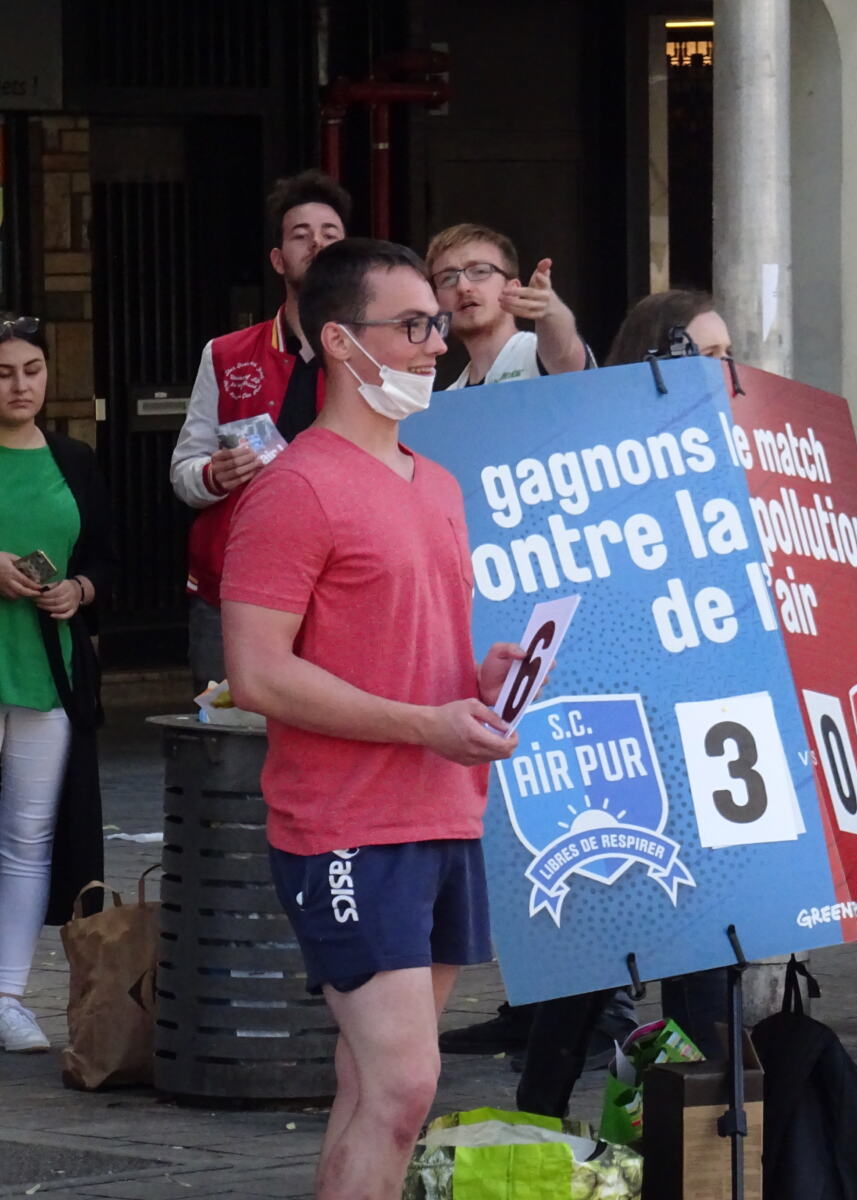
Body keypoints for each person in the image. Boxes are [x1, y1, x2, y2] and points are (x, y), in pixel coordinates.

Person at [221, 239, 529, 1200]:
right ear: (339, 342)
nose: (435, 343)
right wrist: (424, 724)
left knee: (374, 1087)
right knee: (405, 1087)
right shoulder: (294, 489)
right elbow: (258, 675)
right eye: (412, 325)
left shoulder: (433, 482)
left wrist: (479, 682)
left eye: (435, 322)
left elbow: (400, 645)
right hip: (345, 825)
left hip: (442, 811)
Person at [507, 289, 735, 1118]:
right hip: (621, 736)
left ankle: (701, 1143)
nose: (726, 371)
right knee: (591, 944)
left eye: (728, 354)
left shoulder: (726, 458)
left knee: (705, 956)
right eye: (708, 355)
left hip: (706, 740)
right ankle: (538, 1121)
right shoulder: (600, 460)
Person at [170, 169, 350, 693]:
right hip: (230, 591)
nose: (316, 242)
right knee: (229, 755)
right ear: (278, 259)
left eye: (330, 234)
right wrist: (213, 475)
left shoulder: (375, 356)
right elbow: (183, 474)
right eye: (301, 234)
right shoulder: (225, 353)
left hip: (338, 590)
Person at [0, 313, 117, 1053]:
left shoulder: (73, 458)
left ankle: (8, 997)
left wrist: (79, 589)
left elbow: (107, 557)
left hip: (50, 673)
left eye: (32, 371)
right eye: (5, 373)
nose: (20, 386)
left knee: (29, 840)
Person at [424, 223, 592, 388]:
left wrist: (551, 312)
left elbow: (564, 353)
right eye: (447, 278)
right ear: (437, 302)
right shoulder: (451, 397)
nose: (463, 287)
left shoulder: (536, 354)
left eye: (480, 271)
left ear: (513, 289)